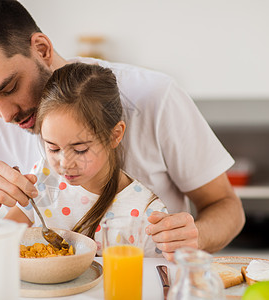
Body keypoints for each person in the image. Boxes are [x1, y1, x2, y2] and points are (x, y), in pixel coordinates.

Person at [0, 0, 244, 262]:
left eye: (10, 87)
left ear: (41, 48)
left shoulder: (154, 97)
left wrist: (195, 235)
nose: (5, 115)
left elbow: (227, 207)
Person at [13, 62, 167, 257]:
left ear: (115, 135)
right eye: (53, 148)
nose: (65, 163)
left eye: (80, 150)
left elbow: (157, 277)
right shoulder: (43, 180)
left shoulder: (146, 213)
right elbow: (3, 234)